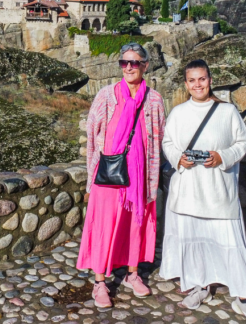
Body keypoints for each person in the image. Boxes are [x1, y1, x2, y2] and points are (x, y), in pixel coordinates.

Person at [158, 59, 246, 324]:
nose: (198, 84)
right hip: (187, 190)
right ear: (186, 84)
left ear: (210, 80)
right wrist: (177, 159)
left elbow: (242, 143)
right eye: (192, 80)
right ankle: (200, 285)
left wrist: (221, 157)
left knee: (231, 243)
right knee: (194, 239)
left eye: (202, 79)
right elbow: (168, 142)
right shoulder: (179, 112)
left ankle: (245, 298)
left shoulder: (227, 112)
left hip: (218, 191)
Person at [77, 42, 167, 308]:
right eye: (124, 62)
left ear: (145, 65)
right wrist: (90, 175)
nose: (129, 67)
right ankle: (99, 282)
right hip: (108, 175)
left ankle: (131, 274)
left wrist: (152, 177)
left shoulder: (155, 100)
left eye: (135, 62)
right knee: (103, 226)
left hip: (138, 176)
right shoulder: (106, 95)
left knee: (134, 225)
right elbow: (92, 137)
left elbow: (158, 140)